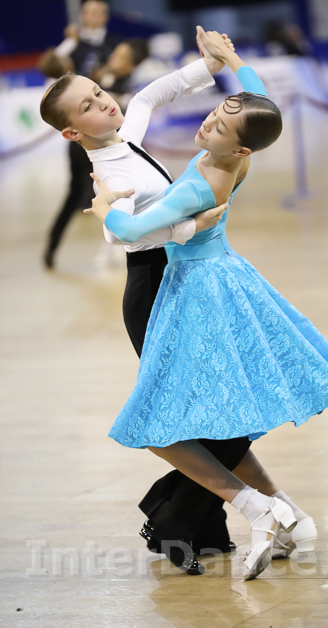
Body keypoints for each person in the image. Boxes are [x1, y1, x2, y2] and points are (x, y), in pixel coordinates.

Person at [84, 28, 328, 580]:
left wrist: (104, 204)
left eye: (219, 126)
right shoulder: (237, 157)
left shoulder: (199, 182)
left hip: (196, 291)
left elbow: (131, 230)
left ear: (240, 147)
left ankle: (259, 509)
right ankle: (288, 516)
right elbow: (261, 105)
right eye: (214, 113)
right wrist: (232, 60)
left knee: (167, 422)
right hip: (225, 275)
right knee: (209, 414)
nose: (208, 123)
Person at [40, 31, 255, 575]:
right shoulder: (109, 171)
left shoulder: (124, 138)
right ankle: (176, 520)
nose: (103, 103)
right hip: (153, 287)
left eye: (97, 92)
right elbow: (118, 234)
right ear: (71, 132)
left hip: (180, 279)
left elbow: (147, 96)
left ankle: (198, 527)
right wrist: (190, 227)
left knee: (214, 413)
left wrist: (206, 66)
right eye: (88, 106)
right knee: (209, 415)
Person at [43, 0, 120, 269]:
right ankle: (52, 246)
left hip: (111, 133)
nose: (93, 16)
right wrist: (69, 43)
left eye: (98, 12)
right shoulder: (73, 46)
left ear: (105, 16)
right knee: (76, 191)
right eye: (88, 12)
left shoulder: (114, 45)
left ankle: (117, 246)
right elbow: (51, 68)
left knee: (120, 187)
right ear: (83, 16)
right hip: (81, 137)